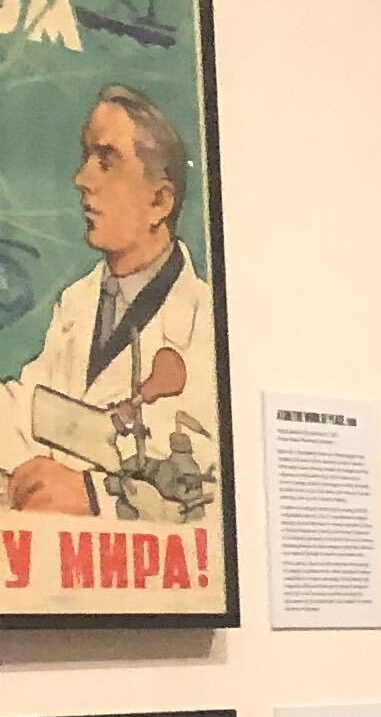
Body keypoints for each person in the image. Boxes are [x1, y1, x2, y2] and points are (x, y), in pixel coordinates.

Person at [4, 89, 220, 522]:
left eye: (106, 161)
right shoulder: (77, 303)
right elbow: (29, 407)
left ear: (159, 201)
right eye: (86, 157)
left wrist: (95, 498)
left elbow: (219, 489)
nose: (81, 179)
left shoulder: (208, 324)